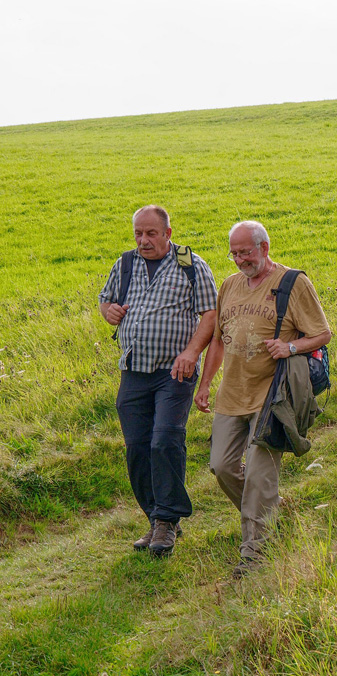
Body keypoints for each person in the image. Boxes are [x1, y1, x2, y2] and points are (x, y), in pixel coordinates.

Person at [195, 220, 331, 577]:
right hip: (232, 393)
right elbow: (219, 340)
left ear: (265, 247)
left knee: (259, 476)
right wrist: (206, 383)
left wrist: (290, 346)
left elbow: (322, 334)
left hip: (273, 396)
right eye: (235, 253)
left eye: (246, 252)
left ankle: (254, 553)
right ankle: (268, 511)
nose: (240, 259)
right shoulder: (229, 285)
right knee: (221, 466)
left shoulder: (292, 283)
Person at [98, 205, 218, 556]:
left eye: (151, 233)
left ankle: (167, 520)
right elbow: (105, 302)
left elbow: (210, 314)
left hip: (174, 372)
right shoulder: (124, 264)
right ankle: (155, 518)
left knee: (164, 440)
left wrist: (192, 353)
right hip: (134, 369)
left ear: (168, 232)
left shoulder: (190, 265)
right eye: (138, 233)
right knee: (137, 446)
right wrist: (110, 313)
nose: (143, 240)